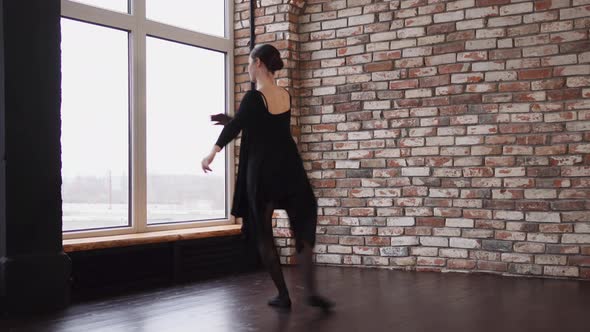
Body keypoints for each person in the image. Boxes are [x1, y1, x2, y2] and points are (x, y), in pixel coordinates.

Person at [201, 44, 333, 311]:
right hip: (289, 167)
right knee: (302, 226)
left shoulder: (253, 97)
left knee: (264, 233)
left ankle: (284, 296)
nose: (248, 68)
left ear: (259, 63)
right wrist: (231, 119)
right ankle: (311, 293)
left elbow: (241, 126)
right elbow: (264, 125)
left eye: (249, 63)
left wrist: (211, 153)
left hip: (262, 171)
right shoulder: (285, 95)